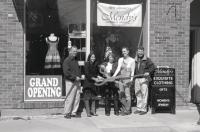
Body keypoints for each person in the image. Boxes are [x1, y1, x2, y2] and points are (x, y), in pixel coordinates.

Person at [113, 47, 135, 115]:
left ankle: (127, 110)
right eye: (122, 51)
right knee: (121, 95)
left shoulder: (132, 60)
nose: (123, 53)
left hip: (127, 80)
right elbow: (118, 69)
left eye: (125, 51)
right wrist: (113, 76)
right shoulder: (120, 59)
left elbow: (132, 72)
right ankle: (125, 108)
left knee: (128, 96)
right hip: (121, 80)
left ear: (128, 51)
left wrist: (131, 80)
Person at [134, 46, 155, 115]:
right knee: (138, 94)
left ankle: (144, 109)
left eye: (141, 51)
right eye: (138, 51)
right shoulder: (135, 59)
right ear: (137, 52)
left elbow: (153, 67)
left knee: (144, 94)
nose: (139, 52)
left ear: (143, 51)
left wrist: (148, 72)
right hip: (137, 78)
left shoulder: (147, 60)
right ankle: (139, 108)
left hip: (144, 79)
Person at [62, 45, 81, 119]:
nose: (75, 52)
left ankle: (73, 112)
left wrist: (79, 76)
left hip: (77, 81)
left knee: (77, 98)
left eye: (76, 51)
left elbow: (77, 70)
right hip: (70, 81)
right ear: (70, 51)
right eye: (73, 51)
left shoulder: (75, 60)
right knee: (70, 98)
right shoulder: (66, 60)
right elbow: (66, 73)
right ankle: (67, 113)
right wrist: (75, 77)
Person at [83, 52, 100, 117]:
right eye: (92, 57)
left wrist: (98, 76)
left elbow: (97, 73)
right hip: (87, 83)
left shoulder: (96, 64)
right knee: (87, 98)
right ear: (89, 57)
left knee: (93, 98)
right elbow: (87, 74)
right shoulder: (86, 64)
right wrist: (94, 78)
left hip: (93, 83)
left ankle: (93, 111)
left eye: (94, 57)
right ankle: (88, 113)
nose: (93, 58)